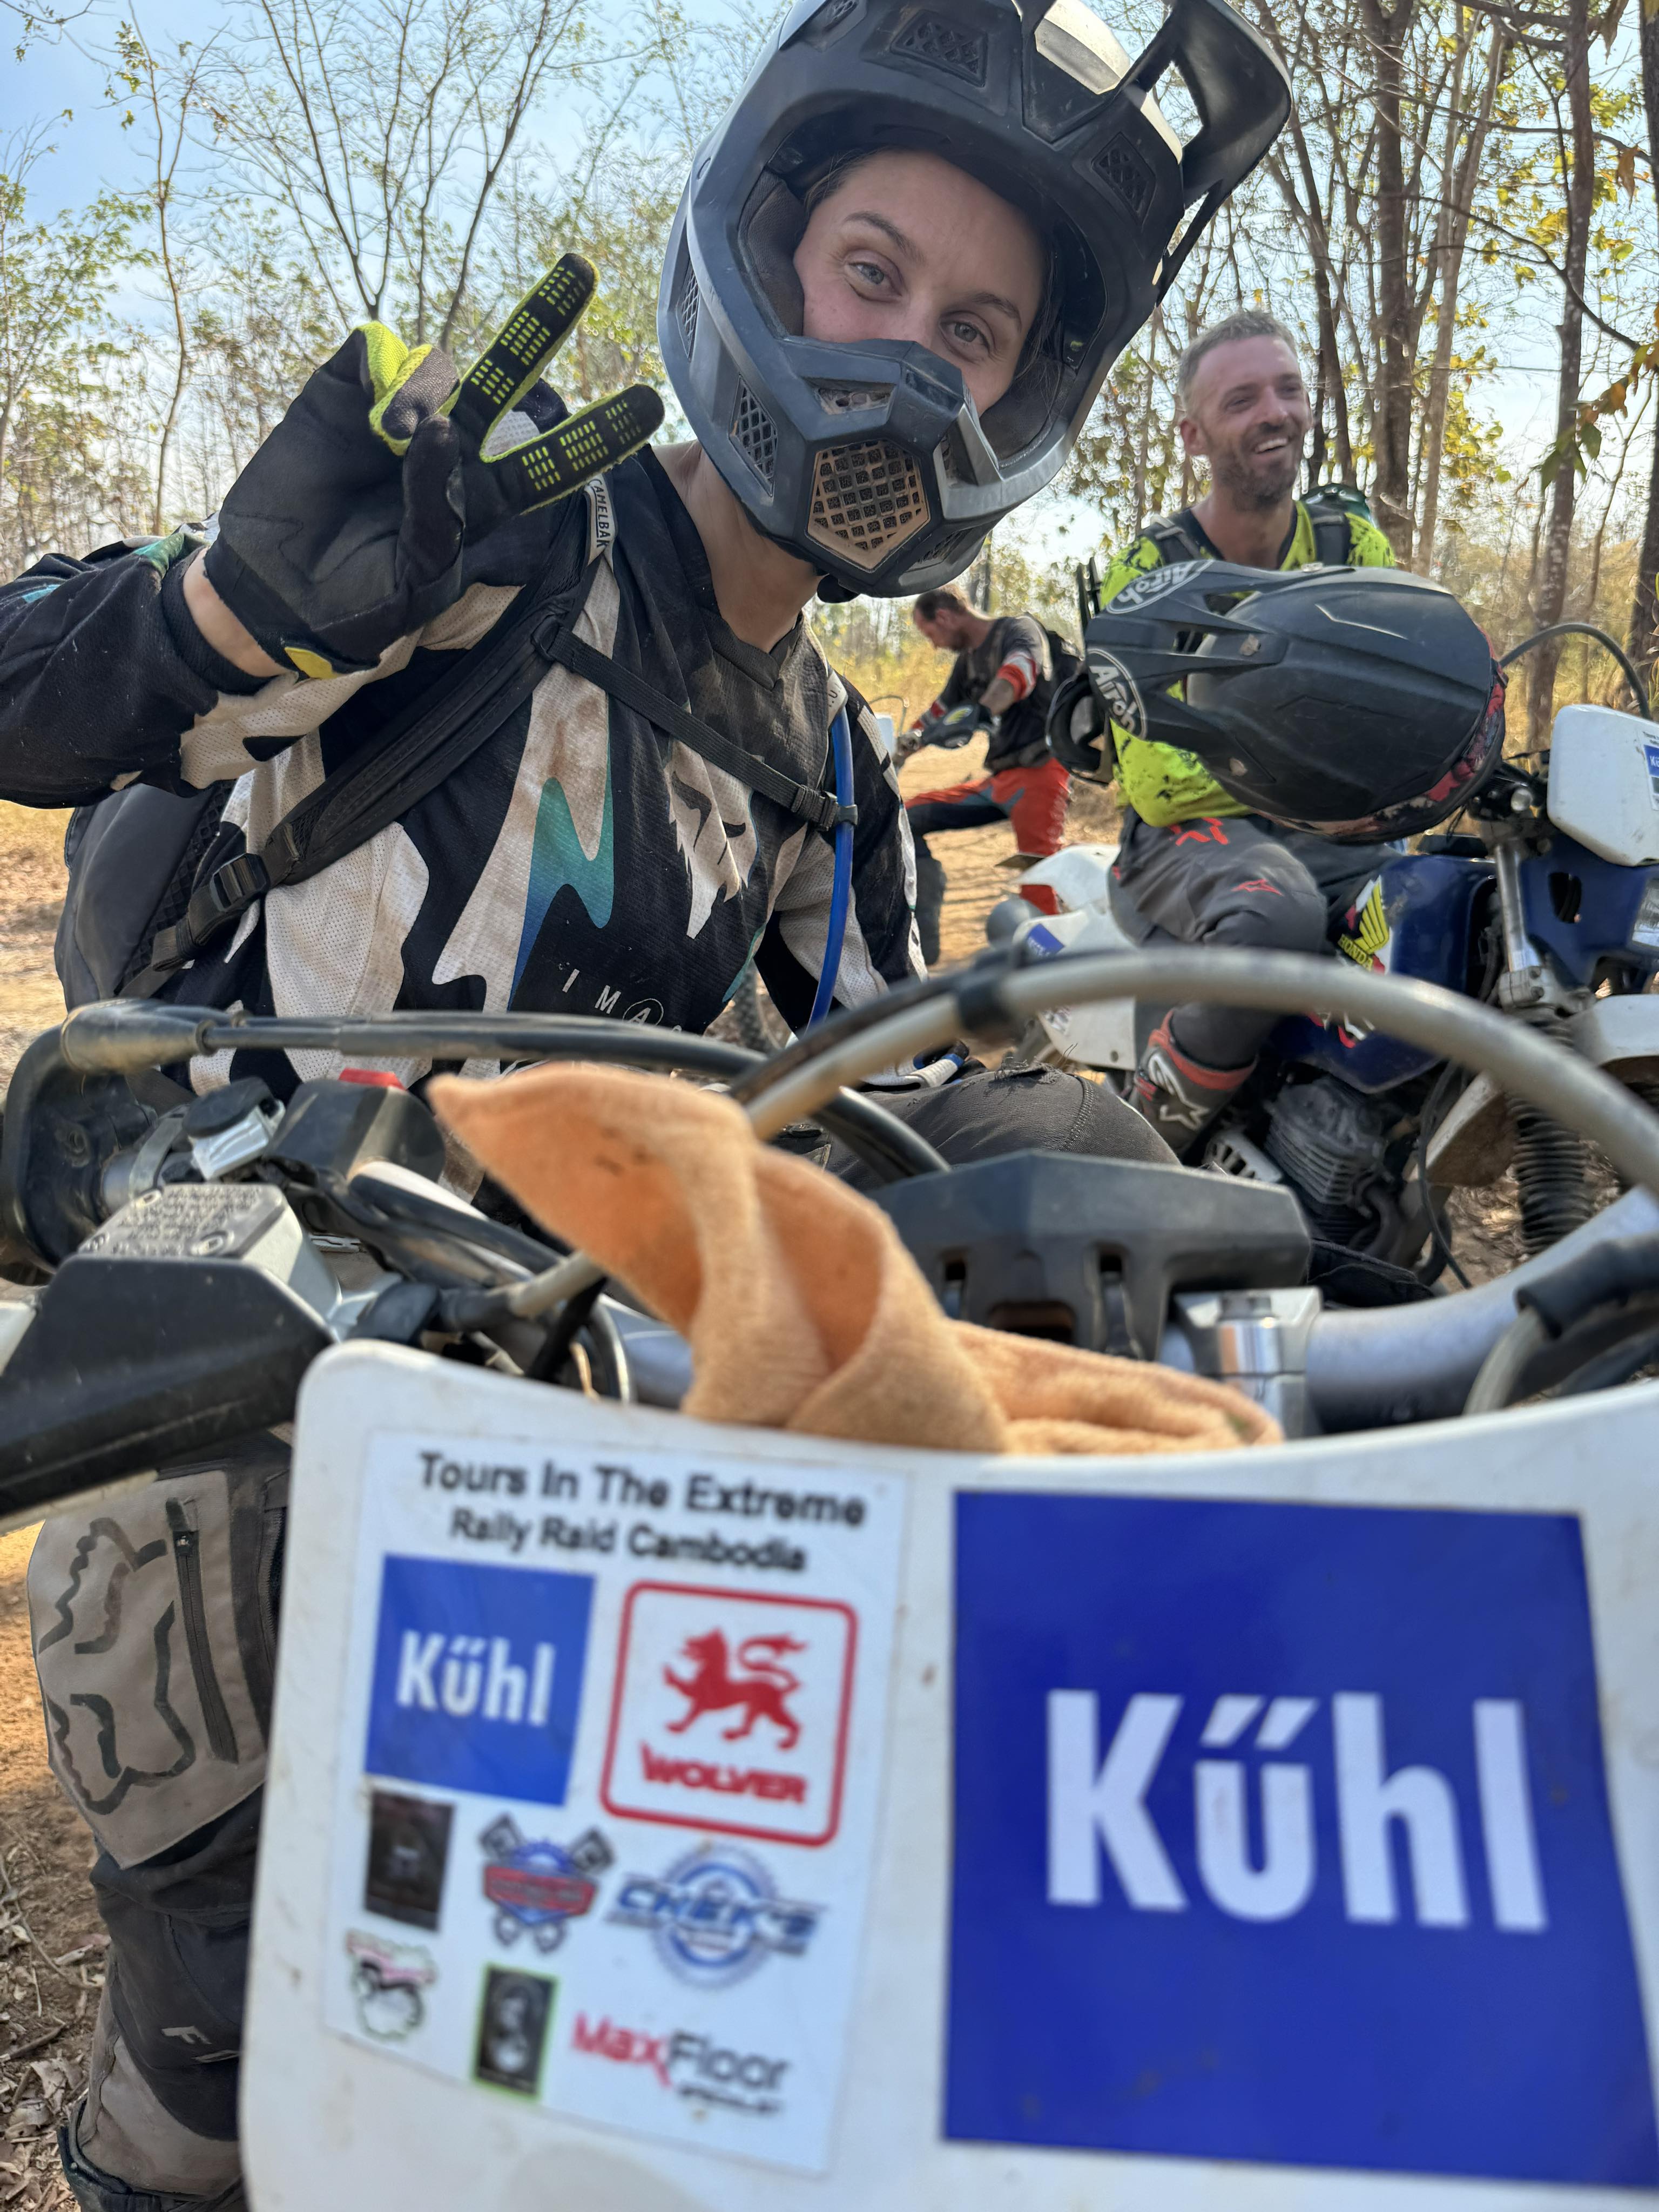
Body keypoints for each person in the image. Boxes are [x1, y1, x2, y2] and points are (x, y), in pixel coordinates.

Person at [3, 3, 1289, 2204]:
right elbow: (36, 699)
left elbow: (892, 1100)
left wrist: (1120, 1171)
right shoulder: (482, 542)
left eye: (975, 329)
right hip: (244, 1388)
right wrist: (225, 612)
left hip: (566, 1435)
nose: (914, 360)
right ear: (766, 256)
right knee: (221, 2094)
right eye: (874, 272)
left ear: (1024, 398)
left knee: (634, 2034)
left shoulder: (827, 758)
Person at [1072, 307, 1398, 1156]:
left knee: (1447, 907)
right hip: (1182, 840)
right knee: (1276, 918)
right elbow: (1155, 781)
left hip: (1337, 829)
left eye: (1288, 390)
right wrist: (1323, 773)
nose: (1275, 413)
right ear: (1193, 435)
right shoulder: (1151, 572)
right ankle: (1139, 1146)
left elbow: (1408, 701)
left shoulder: (1352, 544)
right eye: (1242, 399)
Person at [898, 585, 1069, 964]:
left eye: (930, 634)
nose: (934, 645)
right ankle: (923, 931)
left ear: (945, 617)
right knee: (907, 817)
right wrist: (897, 750)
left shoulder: (1018, 630)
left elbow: (1020, 671)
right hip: (1000, 781)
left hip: (1040, 774)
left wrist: (985, 710)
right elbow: (940, 711)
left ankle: (1054, 974)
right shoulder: (969, 662)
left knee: (1039, 877)